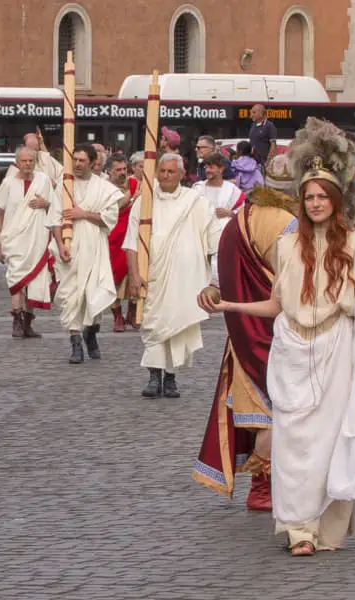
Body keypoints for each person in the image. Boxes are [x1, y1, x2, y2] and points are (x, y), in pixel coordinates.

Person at [198, 117, 355, 556]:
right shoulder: (288, 245)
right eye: (308, 196)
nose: (314, 203)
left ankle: (324, 527)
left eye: (321, 197)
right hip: (291, 350)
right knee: (293, 443)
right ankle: (298, 529)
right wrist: (230, 306)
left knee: (328, 441)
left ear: (335, 200)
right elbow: (277, 304)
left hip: (337, 349)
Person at [193, 153, 299, 512]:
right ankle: (264, 485)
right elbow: (295, 283)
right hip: (281, 329)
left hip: (242, 332)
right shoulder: (291, 224)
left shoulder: (239, 220)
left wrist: (212, 290)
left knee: (260, 410)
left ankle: (266, 483)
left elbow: (220, 276)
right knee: (279, 411)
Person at [122, 153, 222, 398]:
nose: (165, 176)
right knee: (153, 324)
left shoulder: (195, 202)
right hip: (152, 275)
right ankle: (154, 376)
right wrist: (134, 275)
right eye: (162, 171)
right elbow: (131, 243)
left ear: (181, 174)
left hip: (185, 279)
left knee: (178, 326)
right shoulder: (143, 203)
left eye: (170, 172)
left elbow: (215, 241)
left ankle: (171, 378)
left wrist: (215, 280)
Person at [52, 143, 123, 363]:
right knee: (71, 295)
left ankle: (90, 332)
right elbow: (55, 219)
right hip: (70, 247)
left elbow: (109, 218)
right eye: (75, 159)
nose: (78, 164)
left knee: (93, 294)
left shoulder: (105, 189)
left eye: (82, 160)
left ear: (93, 163)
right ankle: (75, 344)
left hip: (95, 247)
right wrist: (61, 244)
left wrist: (83, 213)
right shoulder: (63, 187)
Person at [0, 147, 66, 339]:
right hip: (14, 238)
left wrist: (46, 204)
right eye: (23, 161)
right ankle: (16, 319)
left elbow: (57, 207)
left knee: (35, 280)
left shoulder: (43, 180)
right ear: (17, 162)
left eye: (31, 161)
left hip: (38, 238)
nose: (27, 164)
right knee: (16, 278)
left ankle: (28, 322)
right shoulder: (8, 183)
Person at [192, 152, 246, 283]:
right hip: (201, 235)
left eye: (211, 167)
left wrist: (230, 213)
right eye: (206, 167)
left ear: (221, 169)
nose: (207, 170)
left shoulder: (232, 190)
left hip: (225, 236)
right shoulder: (197, 188)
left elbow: (243, 214)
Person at [106, 153, 139, 332]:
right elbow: (111, 209)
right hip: (112, 236)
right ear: (109, 171)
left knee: (133, 274)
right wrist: (132, 198)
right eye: (118, 170)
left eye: (124, 169)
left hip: (132, 234)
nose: (122, 173)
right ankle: (117, 315)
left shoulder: (135, 184)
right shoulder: (103, 188)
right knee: (112, 278)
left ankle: (132, 313)